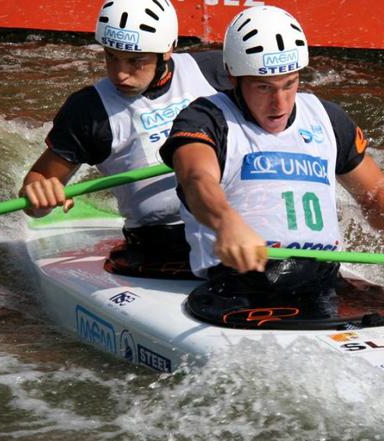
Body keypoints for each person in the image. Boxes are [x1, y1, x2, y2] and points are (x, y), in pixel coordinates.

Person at [159, 6, 384, 300]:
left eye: (290, 84)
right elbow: (197, 180)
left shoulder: (327, 118)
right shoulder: (204, 119)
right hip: (237, 286)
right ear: (233, 78)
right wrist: (226, 222)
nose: (280, 103)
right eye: (264, 88)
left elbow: (375, 194)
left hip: (323, 283)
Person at [19, 0, 229, 278]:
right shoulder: (88, 110)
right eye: (111, 57)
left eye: (134, 61)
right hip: (159, 246)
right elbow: (38, 183)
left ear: (166, 50)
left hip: (231, 224)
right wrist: (39, 195)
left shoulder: (216, 73)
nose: (119, 73)